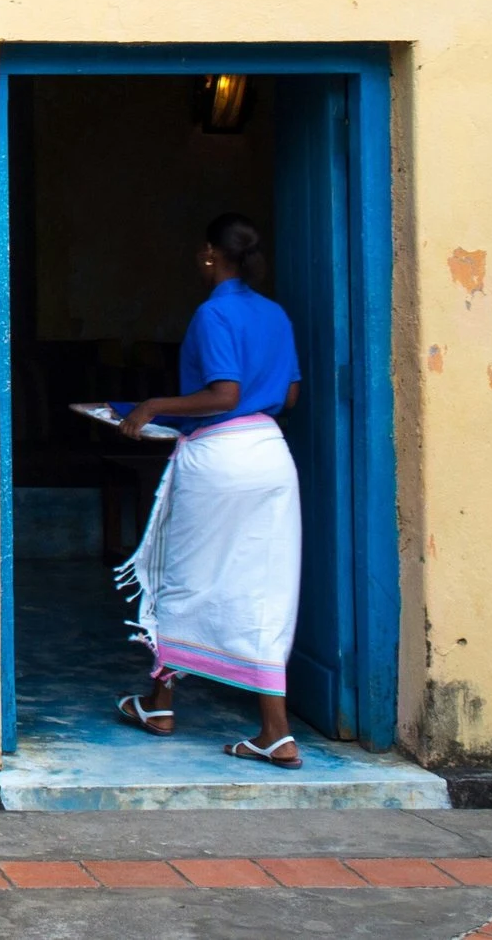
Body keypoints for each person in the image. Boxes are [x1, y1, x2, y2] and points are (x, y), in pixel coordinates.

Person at [113, 213, 305, 767]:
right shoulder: (274, 313)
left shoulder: (213, 312)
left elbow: (224, 395)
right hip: (271, 456)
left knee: (185, 575)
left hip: (221, 457)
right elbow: (288, 397)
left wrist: (153, 406)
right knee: (267, 589)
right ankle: (276, 731)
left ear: (208, 254)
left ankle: (160, 702)